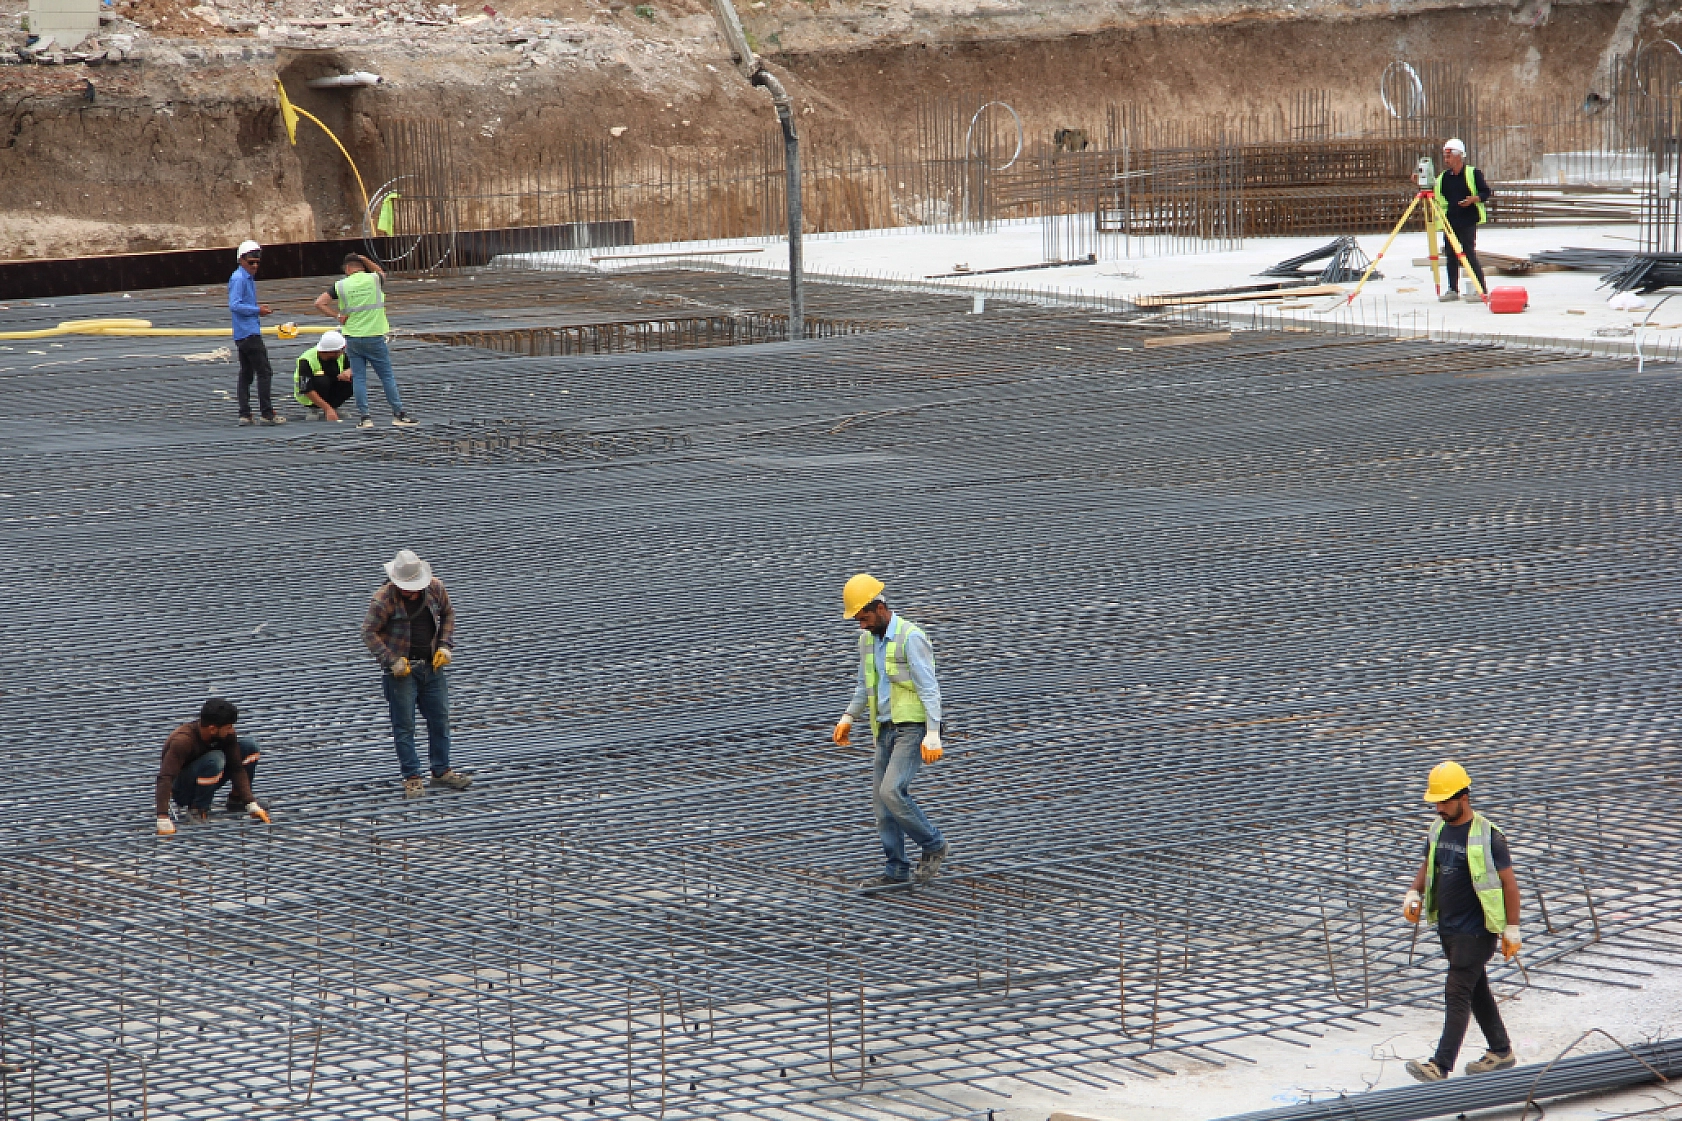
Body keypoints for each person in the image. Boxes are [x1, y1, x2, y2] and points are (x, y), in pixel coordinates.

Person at [1401, 761, 1522, 1082]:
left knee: (1456, 993)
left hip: (1476, 932)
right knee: (1476, 990)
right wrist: (1413, 893)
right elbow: (1429, 865)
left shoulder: (1489, 836)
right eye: (1436, 802)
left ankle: (1439, 1065)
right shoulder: (1438, 829)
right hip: (1449, 928)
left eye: (1445, 801)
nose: (1439, 808)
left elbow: (1509, 885)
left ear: (1463, 797)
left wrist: (1512, 927)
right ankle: (1501, 1049)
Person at [832, 573, 950, 890]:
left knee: (891, 791)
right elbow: (863, 686)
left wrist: (933, 732)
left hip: (911, 728)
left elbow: (929, 688)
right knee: (882, 807)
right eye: (857, 620)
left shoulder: (911, 637)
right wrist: (848, 717)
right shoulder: (866, 641)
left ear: (880, 607)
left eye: (864, 617)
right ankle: (896, 869)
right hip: (883, 729)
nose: (861, 625)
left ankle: (934, 844)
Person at [361, 549, 471, 798]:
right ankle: (411, 776)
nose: (411, 591)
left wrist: (444, 645)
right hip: (402, 673)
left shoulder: (435, 588)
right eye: (406, 587)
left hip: (432, 667)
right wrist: (391, 661)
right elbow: (368, 632)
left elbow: (448, 614)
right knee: (405, 726)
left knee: (440, 719)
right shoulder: (383, 599)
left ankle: (441, 771)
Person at [314, 253, 417, 430]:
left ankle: (365, 417)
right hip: (375, 337)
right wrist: (365, 258)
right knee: (386, 377)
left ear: (347, 269)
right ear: (362, 266)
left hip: (353, 338)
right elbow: (381, 271)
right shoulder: (374, 279)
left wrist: (338, 316)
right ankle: (399, 414)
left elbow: (319, 303)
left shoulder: (341, 285)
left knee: (359, 379)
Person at [155, 697, 272, 835]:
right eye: (228, 727)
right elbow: (165, 777)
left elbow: (236, 768)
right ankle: (197, 809)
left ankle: (237, 800)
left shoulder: (226, 735)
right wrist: (163, 816)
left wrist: (250, 803)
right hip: (182, 788)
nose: (231, 730)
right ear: (212, 729)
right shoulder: (183, 740)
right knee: (216, 759)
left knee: (249, 747)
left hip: (208, 775)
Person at [228, 240, 285, 426]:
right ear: (241, 260)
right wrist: (257, 310)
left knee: (246, 373)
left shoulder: (245, 278)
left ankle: (245, 414)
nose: (255, 266)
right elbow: (235, 305)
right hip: (249, 333)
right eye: (251, 262)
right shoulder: (239, 279)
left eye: (257, 263)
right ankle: (266, 413)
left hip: (242, 333)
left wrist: (256, 309)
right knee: (264, 372)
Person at [1435, 140, 1493, 302]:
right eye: (1445, 156)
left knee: (1469, 254)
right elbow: (1434, 193)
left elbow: (1486, 192)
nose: (1446, 159)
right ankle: (1452, 289)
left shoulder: (1472, 173)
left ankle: (1481, 289)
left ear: (1458, 156)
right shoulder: (1443, 178)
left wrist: (1474, 199)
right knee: (1451, 256)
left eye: (1449, 156)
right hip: (1451, 221)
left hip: (1468, 219)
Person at [293, 330, 355, 422]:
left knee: (354, 380)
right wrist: (327, 409)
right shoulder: (306, 360)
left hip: (331, 387)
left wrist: (349, 371)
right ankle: (315, 409)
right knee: (322, 381)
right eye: (340, 350)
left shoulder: (341, 356)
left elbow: (355, 368)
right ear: (331, 352)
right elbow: (306, 389)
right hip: (309, 395)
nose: (342, 352)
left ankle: (334, 406)